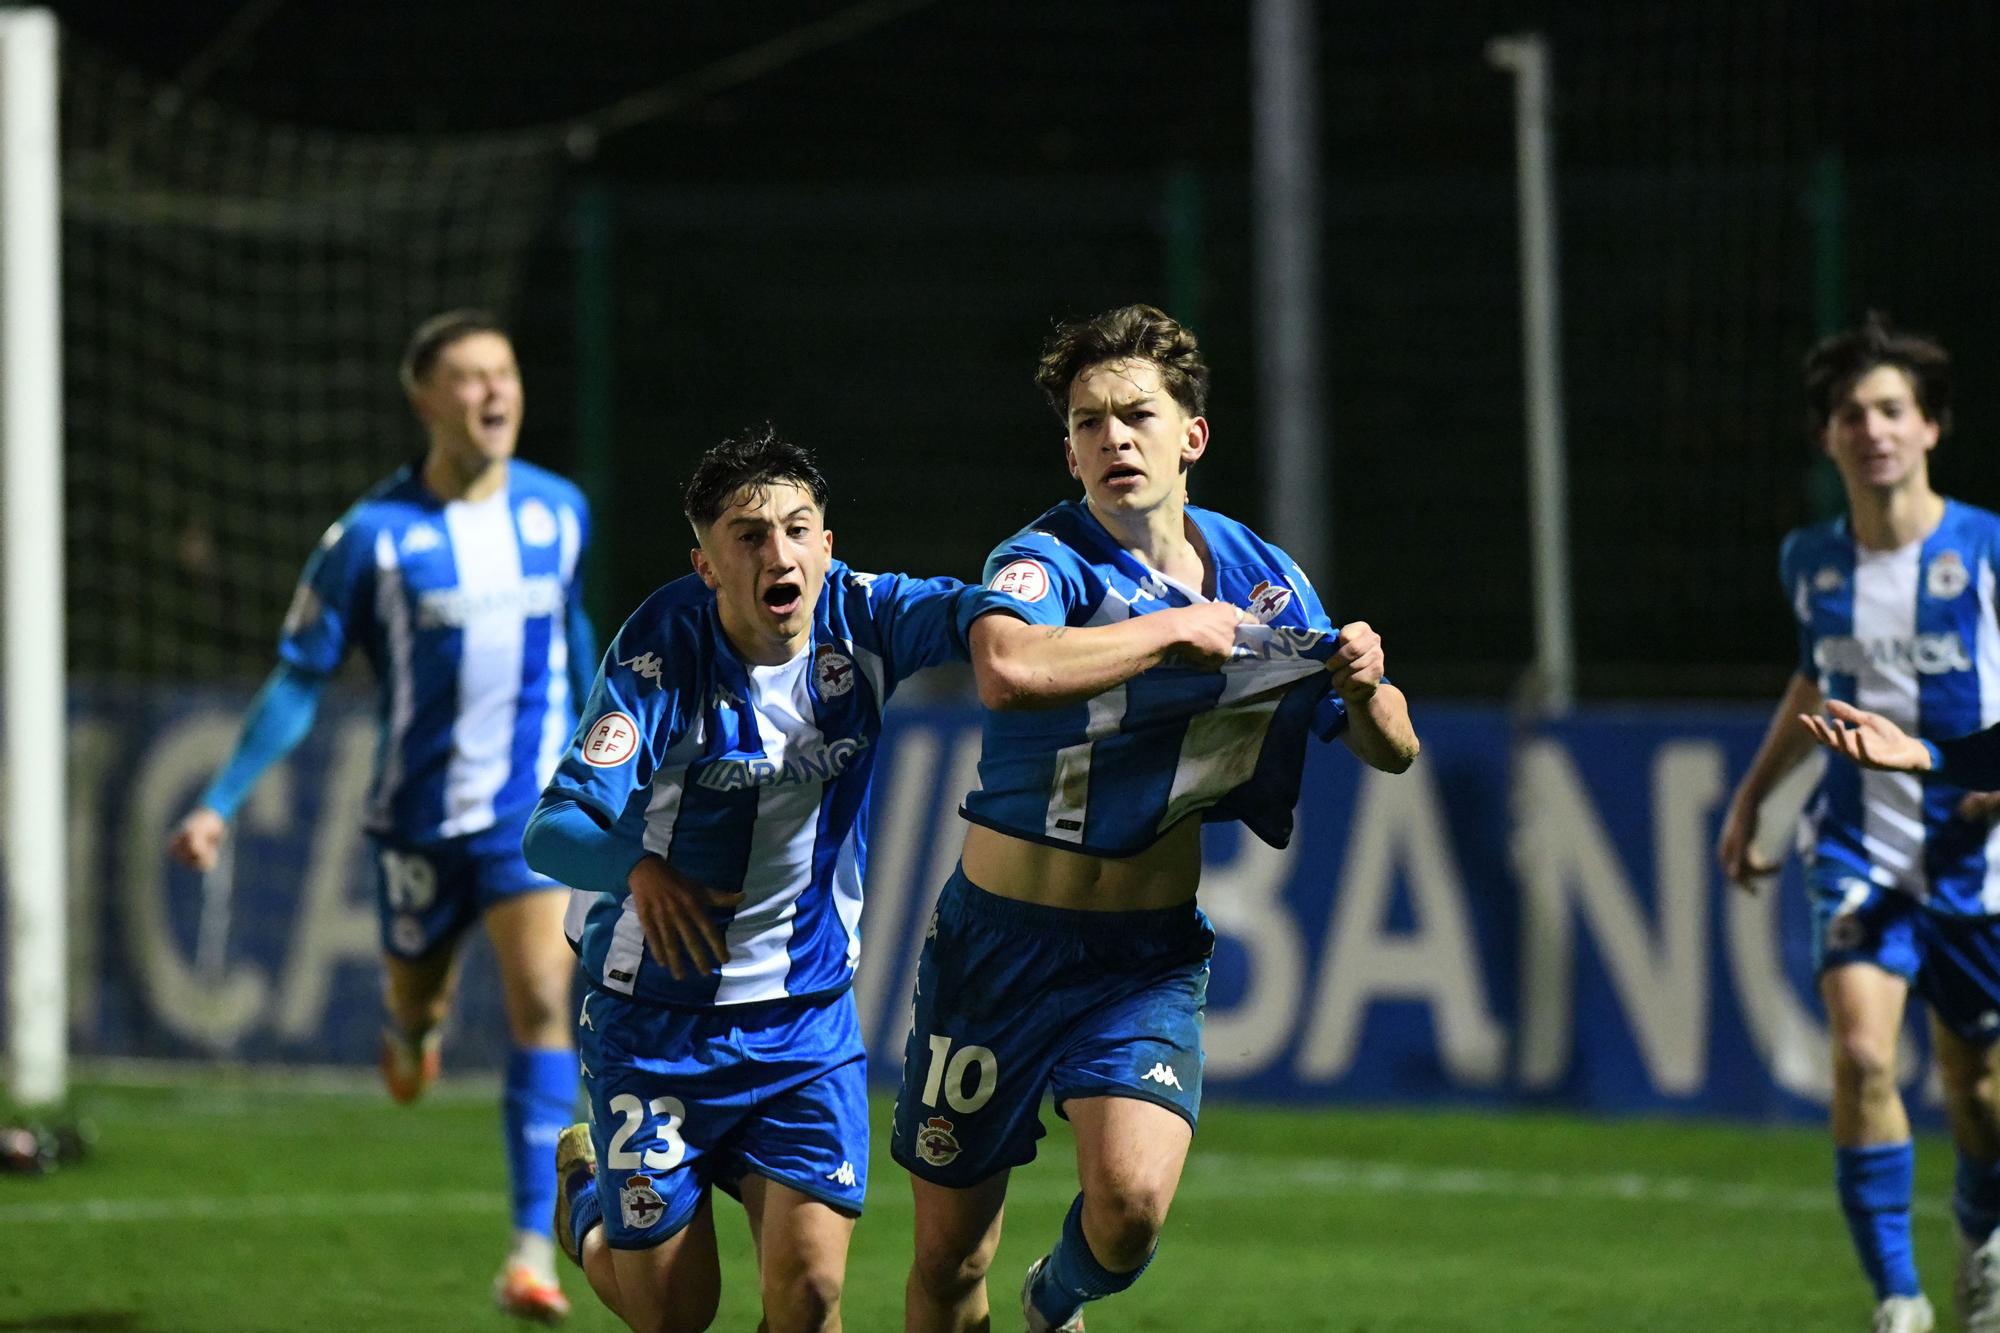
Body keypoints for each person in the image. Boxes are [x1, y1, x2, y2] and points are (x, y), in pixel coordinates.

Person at [892, 303, 1421, 1333]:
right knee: (951, 1256)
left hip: (1143, 955)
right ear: (1069, 452)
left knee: (1128, 1210)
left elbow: (1391, 747)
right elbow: (1005, 668)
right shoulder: (1045, 559)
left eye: (1135, 414)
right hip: (996, 949)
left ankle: (1055, 1302)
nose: (1111, 439)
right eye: (1087, 423)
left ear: (1193, 435)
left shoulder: (1260, 577)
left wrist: (1363, 682)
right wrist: (1168, 632)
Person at [523, 429, 1024, 1332]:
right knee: (677, 1314)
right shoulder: (660, 655)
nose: (779, 553)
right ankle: (589, 1200)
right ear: (707, 563)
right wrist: (638, 869)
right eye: (749, 536)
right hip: (654, 1021)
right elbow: (553, 829)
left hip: (803, 1019)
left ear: (828, 545)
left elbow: (973, 609)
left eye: (799, 529)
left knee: (812, 1299)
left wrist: (1031, 620)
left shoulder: (865, 618)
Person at [169, 310, 591, 1324]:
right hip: (415, 821)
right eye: (468, 378)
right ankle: (411, 1034)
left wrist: (607, 758)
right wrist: (220, 800)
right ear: (424, 401)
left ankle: (531, 1248)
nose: (493, 392)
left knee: (544, 1000)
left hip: (528, 812)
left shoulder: (558, 511)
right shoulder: (371, 538)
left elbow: (578, 636)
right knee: (417, 1007)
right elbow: (298, 676)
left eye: (505, 372)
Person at [1718, 314, 2000, 1333]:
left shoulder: (1986, 550)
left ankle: (1978, 1241)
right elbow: (1813, 681)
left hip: (1977, 856)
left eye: (1890, 409)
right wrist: (1756, 795)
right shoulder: (1810, 559)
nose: (1871, 428)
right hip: (1855, 843)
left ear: (1930, 426)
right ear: (1826, 437)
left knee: (1976, 1094)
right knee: (1863, 1053)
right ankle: (1896, 1298)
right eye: (1850, 414)